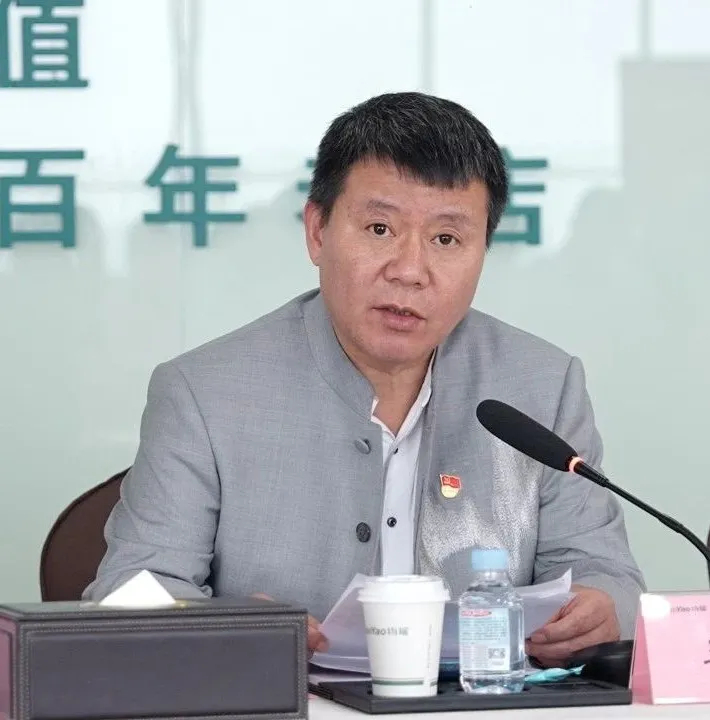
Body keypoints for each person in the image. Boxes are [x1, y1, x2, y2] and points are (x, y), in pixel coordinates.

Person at [84, 91, 645, 668]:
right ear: (317, 231)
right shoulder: (204, 393)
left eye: (446, 239)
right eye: (380, 228)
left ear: (483, 251)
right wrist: (234, 630)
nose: (409, 271)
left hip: (482, 701)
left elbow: (607, 573)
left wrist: (600, 607)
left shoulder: (543, 386)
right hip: (292, 702)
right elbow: (130, 590)